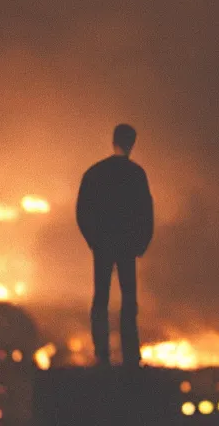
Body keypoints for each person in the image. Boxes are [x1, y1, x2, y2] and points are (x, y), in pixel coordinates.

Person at [76, 123, 154, 368]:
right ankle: (130, 354)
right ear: (131, 143)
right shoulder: (136, 175)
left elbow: (82, 211)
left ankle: (102, 353)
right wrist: (140, 243)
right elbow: (146, 212)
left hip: (104, 245)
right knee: (129, 300)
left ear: (113, 141)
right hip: (126, 246)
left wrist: (93, 240)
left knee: (101, 298)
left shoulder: (95, 173)